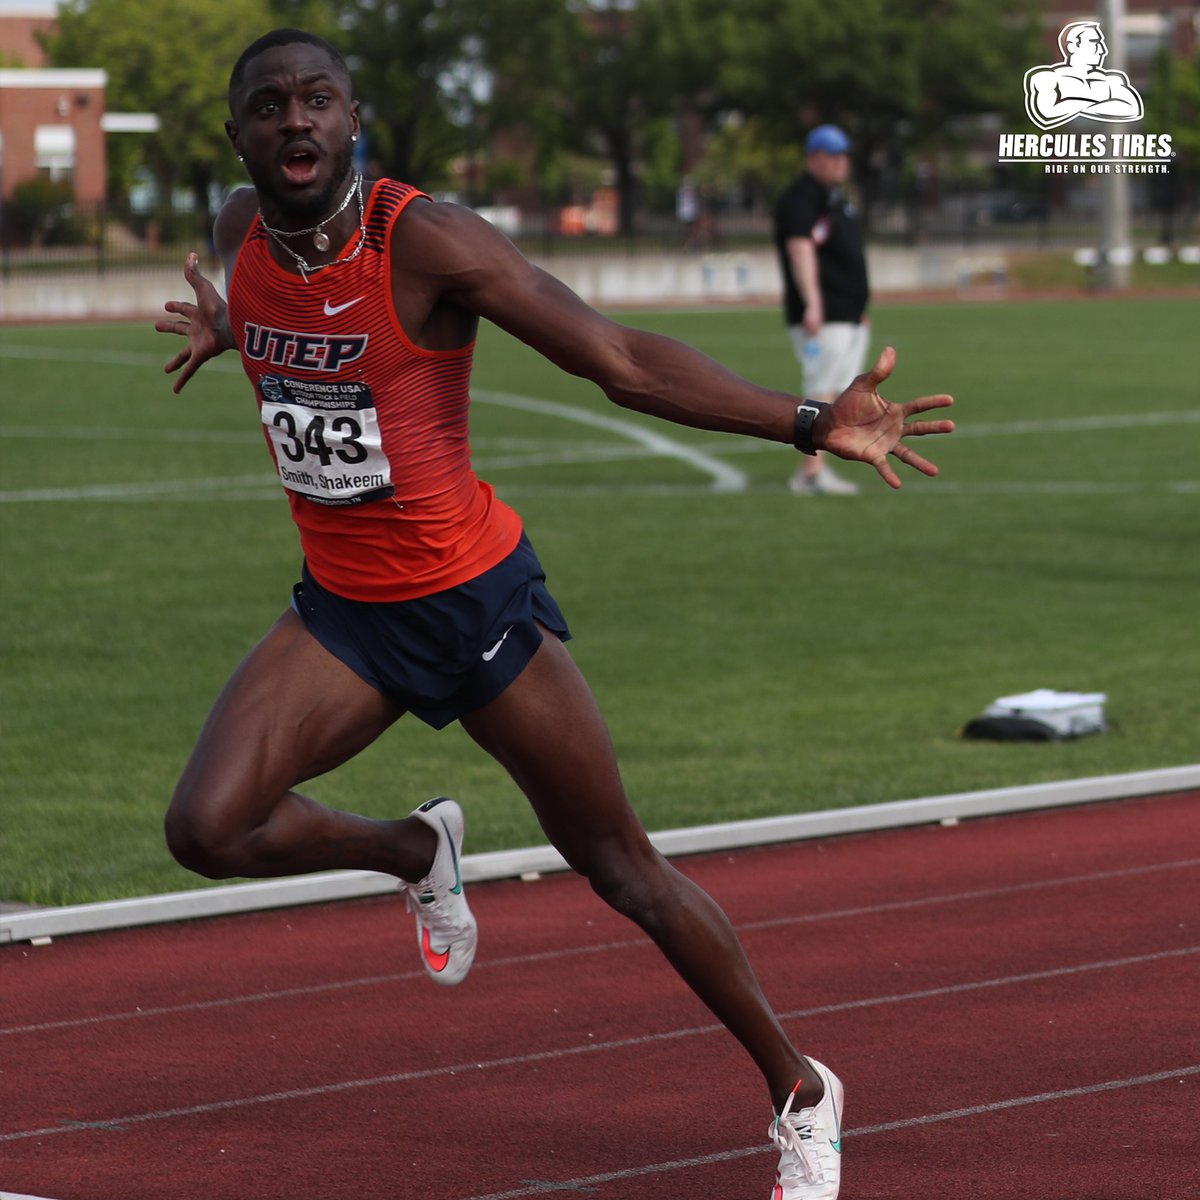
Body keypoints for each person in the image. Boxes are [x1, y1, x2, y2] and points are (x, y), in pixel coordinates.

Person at [156, 29, 953, 1200]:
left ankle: (801, 1089)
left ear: (354, 117)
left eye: (316, 99)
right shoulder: (239, 235)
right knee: (207, 830)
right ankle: (415, 849)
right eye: (268, 107)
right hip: (347, 617)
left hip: (474, 599)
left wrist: (803, 419)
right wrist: (236, 328)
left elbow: (620, 360)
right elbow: (292, 332)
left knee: (622, 869)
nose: (294, 122)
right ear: (238, 136)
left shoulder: (423, 240)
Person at [773, 124, 870, 497]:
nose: (840, 163)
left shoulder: (833, 199)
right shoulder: (800, 199)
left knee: (841, 390)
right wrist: (813, 302)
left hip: (846, 313)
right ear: (813, 157)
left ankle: (819, 467)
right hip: (824, 315)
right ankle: (809, 472)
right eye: (833, 155)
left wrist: (858, 307)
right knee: (820, 389)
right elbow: (801, 250)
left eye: (844, 155)